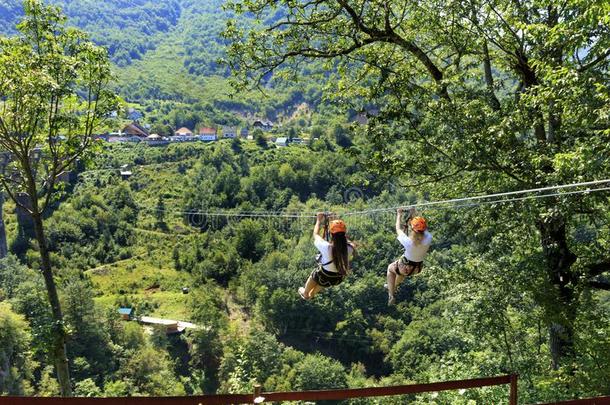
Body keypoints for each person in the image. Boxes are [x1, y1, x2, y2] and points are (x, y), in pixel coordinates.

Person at [299, 212, 354, 300]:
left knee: (312, 283)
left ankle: (306, 294)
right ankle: (312, 294)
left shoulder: (327, 247)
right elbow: (344, 239)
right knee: (323, 282)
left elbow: (315, 235)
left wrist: (318, 220)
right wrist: (334, 222)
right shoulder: (349, 249)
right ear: (344, 234)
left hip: (323, 275)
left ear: (332, 234)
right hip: (337, 278)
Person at [386, 208, 432, 305]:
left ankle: (391, 294)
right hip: (417, 268)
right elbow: (420, 227)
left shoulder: (408, 242)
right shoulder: (428, 238)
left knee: (390, 269)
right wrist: (413, 214)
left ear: (413, 230)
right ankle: (394, 285)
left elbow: (398, 228)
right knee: (401, 274)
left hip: (405, 266)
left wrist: (399, 214)